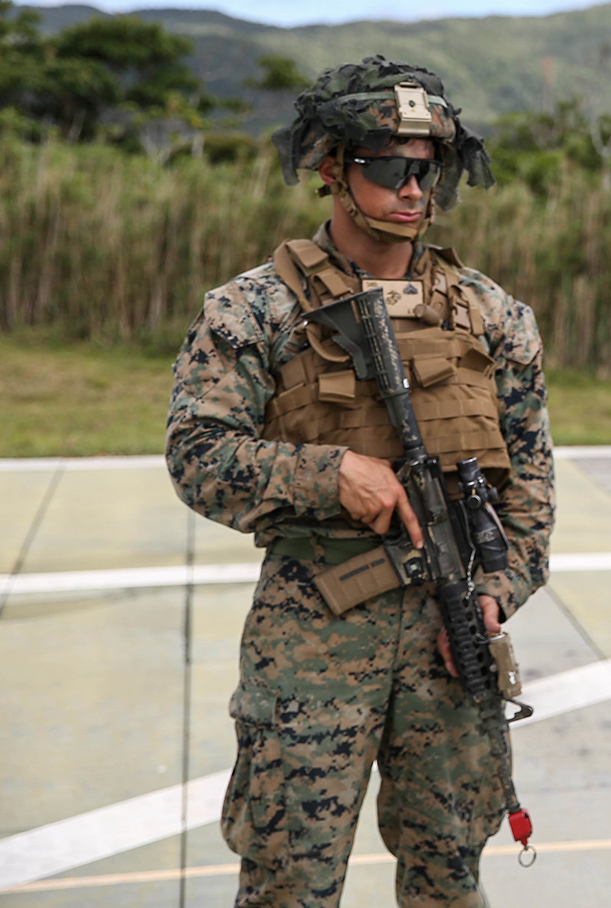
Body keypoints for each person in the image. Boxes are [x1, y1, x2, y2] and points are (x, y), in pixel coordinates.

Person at [165, 55, 554, 906]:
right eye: (388, 167)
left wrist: (495, 593)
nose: (414, 190)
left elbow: (527, 484)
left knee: (450, 880)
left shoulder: (492, 315)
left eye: (429, 170)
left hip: (451, 644)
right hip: (313, 632)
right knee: (288, 883)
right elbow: (197, 455)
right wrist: (330, 474)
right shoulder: (254, 311)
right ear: (332, 169)